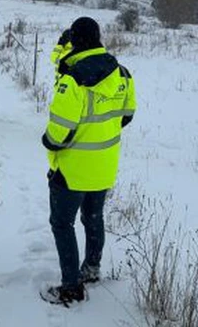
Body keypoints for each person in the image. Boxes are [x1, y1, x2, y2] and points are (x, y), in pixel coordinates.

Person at [39, 16, 137, 306]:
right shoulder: (123, 73)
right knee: (93, 218)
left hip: (71, 169)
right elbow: (127, 114)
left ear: (75, 41)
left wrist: (48, 142)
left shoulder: (72, 79)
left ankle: (70, 287)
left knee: (62, 224)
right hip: (105, 165)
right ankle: (91, 269)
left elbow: (59, 132)